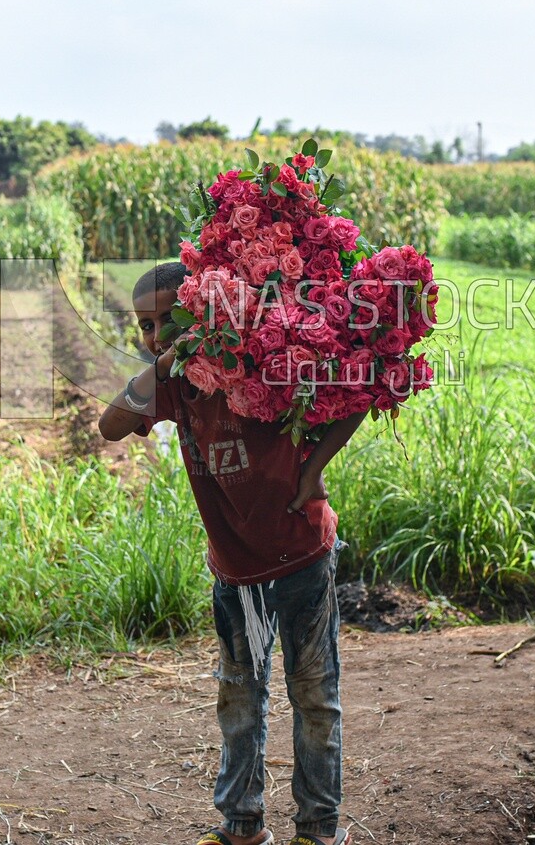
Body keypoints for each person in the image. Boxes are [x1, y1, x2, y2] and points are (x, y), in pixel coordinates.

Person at [98, 262, 362, 845]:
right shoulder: (176, 383)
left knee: (313, 695)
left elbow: (359, 389)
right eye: (145, 324)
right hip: (236, 571)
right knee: (240, 699)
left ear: (205, 310)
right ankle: (241, 828)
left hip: (302, 558)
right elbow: (110, 425)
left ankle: (319, 831)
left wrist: (314, 470)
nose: (158, 332)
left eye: (172, 317)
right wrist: (163, 362)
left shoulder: (260, 358)